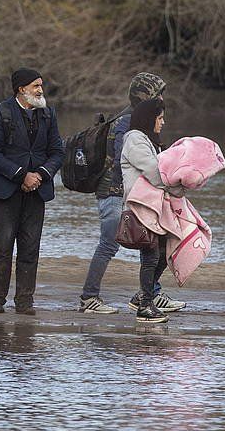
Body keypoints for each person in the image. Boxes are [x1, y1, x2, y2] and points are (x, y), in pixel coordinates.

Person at [78, 72, 183, 314]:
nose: (161, 99)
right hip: (114, 193)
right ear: (145, 96)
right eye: (157, 94)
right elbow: (123, 162)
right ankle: (89, 298)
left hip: (125, 193)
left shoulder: (137, 120)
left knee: (151, 243)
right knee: (109, 245)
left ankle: (151, 294)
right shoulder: (128, 123)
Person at [0, 68, 66, 315]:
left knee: (30, 248)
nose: (40, 90)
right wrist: (21, 175)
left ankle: (25, 302)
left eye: (41, 85)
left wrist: (40, 175)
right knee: (3, 248)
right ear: (21, 89)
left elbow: (57, 152)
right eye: (36, 86)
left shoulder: (49, 114)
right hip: (5, 190)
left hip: (37, 190)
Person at [120, 96, 184, 324]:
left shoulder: (147, 140)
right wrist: (179, 186)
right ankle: (145, 306)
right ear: (149, 119)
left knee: (164, 249)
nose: (162, 123)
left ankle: (142, 296)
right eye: (160, 118)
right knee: (151, 255)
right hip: (141, 207)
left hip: (153, 207)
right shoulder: (136, 141)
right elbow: (155, 173)